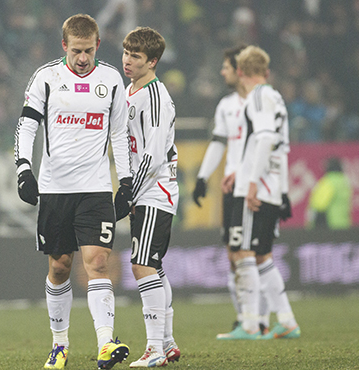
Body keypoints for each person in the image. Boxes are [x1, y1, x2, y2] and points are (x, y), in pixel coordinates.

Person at [14, 13, 132, 370]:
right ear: (64, 45)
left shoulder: (111, 79)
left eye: (89, 50)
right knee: (60, 266)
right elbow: (27, 125)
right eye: (77, 51)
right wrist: (23, 169)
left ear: (98, 45)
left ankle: (106, 344)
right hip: (55, 190)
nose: (83, 58)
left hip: (95, 189)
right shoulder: (46, 78)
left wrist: (124, 181)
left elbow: (119, 135)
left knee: (97, 262)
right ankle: (59, 344)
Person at [216, 46, 300, 341]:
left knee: (244, 252)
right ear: (266, 71)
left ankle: (251, 323)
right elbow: (281, 147)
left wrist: (249, 184)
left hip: (258, 187)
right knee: (261, 254)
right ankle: (286, 320)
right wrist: (283, 188)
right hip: (271, 183)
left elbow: (264, 140)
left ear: (240, 71)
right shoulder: (275, 96)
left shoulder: (258, 97)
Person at [121, 26, 180, 368]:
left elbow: (153, 155)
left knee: (142, 265)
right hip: (144, 192)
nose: (128, 60)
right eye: (127, 53)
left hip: (154, 191)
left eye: (136, 56)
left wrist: (128, 191)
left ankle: (154, 348)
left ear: (153, 61)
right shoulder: (131, 91)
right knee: (153, 266)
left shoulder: (157, 98)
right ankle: (167, 344)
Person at [192, 45, 248, 330]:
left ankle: (257, 320)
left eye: (226, 66)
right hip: (231, 187)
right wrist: (202, 177)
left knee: (251, 253)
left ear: (240, 69)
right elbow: (218, 142)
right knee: (233, 253)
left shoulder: (263, 102)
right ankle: (245, 319)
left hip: (254, 187)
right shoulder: (226, 105)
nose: (221, 71)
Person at [307, 157, 352, 230]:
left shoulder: (329, 182)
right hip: (344, 224)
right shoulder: (345, 182)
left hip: (330, 225)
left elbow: (319, 205)